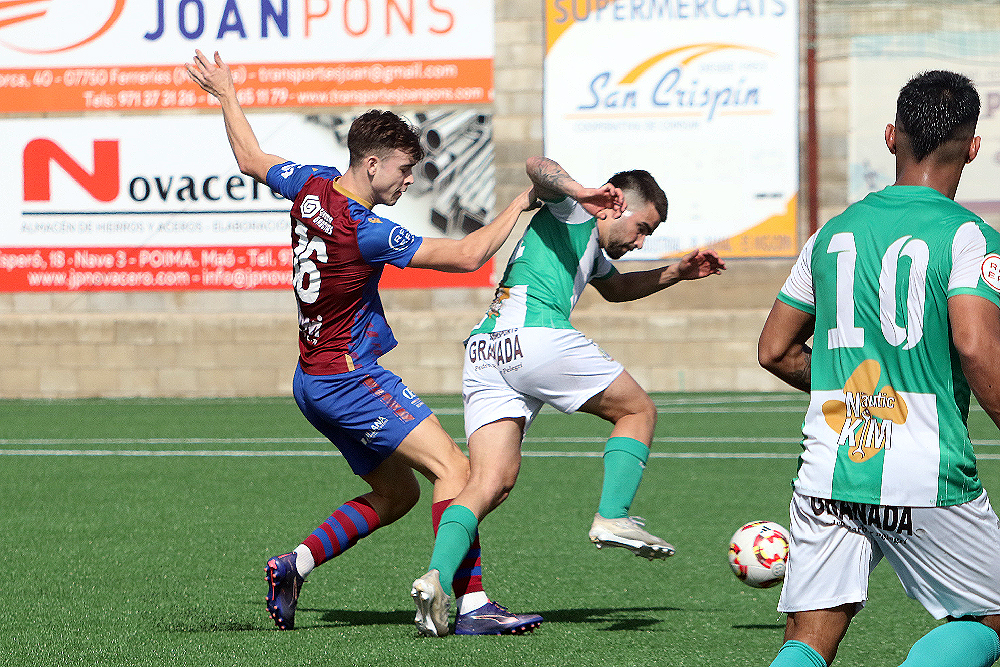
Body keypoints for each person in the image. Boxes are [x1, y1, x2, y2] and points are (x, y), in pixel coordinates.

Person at [185, 50, 546, 635]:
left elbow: (250, 158)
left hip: (311, 379)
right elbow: (465, 256)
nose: (410, 181)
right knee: (454, 467)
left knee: (397, 492)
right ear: (372, 163)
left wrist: (226, 94)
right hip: (350, 378)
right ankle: (471, 605)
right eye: (404, 170)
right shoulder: (368, 229)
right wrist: (522, 202)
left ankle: (293, 565)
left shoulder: (309, 186)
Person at [409, 155, 726, 637]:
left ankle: (435, 579)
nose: (641, 241)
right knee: (638, 410)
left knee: (489, 483)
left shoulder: (591, 247)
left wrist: (676, 272)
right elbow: (536, 166)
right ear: (615, 205)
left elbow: (617, 290)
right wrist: (580, 191)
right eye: (642, 228)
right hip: (535, 334)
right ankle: (612, 517)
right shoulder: (573, 210)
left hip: (487, 347)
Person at [757, 69, 1000, 667]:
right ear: (973, 147)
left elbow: (775, 350)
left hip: (830, 465)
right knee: (990, 614)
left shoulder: (830, 235)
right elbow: (973, 345)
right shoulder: (971, 237)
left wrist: (855, 398)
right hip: (924, 465)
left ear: (891, 136)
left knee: (811, 635)